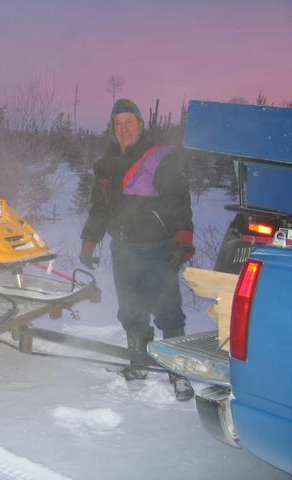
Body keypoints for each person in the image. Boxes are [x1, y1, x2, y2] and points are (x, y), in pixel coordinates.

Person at [79, 98, 195, 401]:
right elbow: (98, 208)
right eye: (118, 124)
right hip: (124, 249)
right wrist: (89, 241)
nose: (124, 128)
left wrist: (183, 238)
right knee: (131, 310)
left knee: (168, 311)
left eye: (129, 122)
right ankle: (139, 362)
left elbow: (179, 199)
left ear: (140, 125)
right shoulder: (105, 164)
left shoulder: (160, 158)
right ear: (112, 129)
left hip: (159, 247)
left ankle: (177, 371)